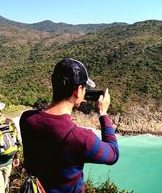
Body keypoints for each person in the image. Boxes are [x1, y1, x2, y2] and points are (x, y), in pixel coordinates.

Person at [20, 58, 119, 193]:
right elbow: (113, 153)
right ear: (78, 91)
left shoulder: (27, 119)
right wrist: (103, 113)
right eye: (84, 88)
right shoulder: (81, 138)